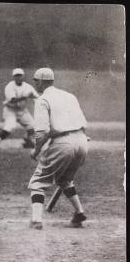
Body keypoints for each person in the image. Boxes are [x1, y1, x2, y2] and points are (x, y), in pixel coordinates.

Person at [28, 68, 89, 230]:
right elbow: (81, 122)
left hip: (63, 143)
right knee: (65, 180)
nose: (34, 83)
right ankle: (79, 212)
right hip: (82, 140)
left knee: (38, 183)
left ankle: (36, 221)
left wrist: (35, 150)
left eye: (36, 80)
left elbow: (42, 133)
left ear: (41, 81)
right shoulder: (69, 96)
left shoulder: (42, 100)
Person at [0, 68, 39, 149]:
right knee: (10, 126)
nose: (18, 77)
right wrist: (25, 96)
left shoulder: (28, 87)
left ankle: (27, 141)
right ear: (13, 77)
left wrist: (37, 101)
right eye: (16, 76)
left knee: (34, 126)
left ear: (23, 76)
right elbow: (13, 100)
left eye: (20, 75)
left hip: (22, 111)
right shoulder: (9, 86)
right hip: (10, 111)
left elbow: (37, 98)